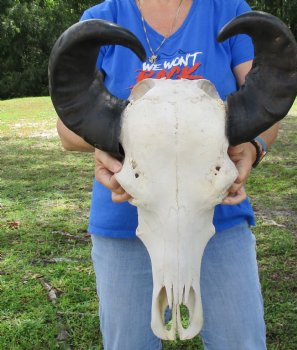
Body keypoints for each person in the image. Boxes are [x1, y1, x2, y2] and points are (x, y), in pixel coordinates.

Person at [56, 1, 280, 349]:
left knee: (241, 342)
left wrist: (252, 148)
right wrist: (105, 149)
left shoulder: (228, 9)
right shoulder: (101, 18)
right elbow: (67, 126)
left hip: (218, 217)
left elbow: (267, 105)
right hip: (125, 219)